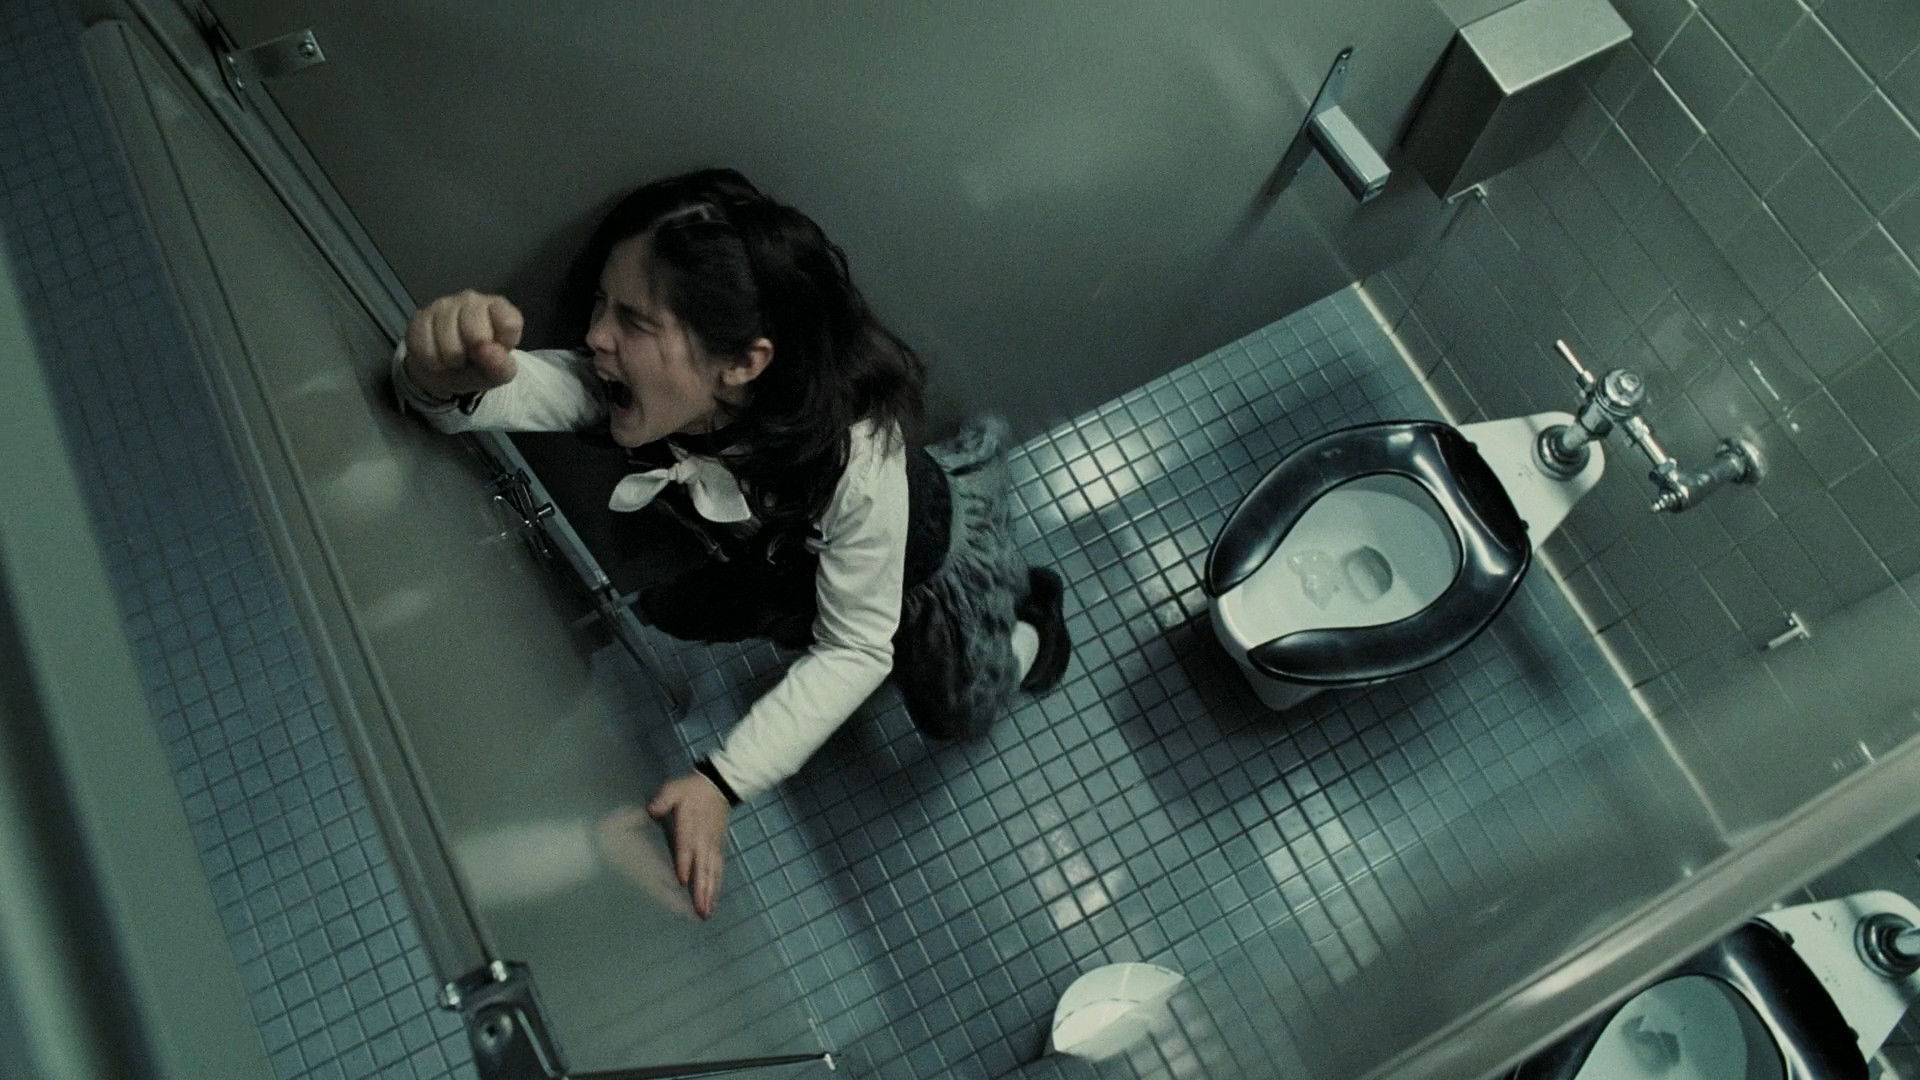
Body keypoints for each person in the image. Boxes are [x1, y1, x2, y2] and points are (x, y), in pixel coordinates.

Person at [392, 169, 1070, 919]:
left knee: (958, 713)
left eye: (632, 320)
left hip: (926, 562)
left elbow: (856, 648)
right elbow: (500, 390)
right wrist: (433, 375)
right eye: (600, 305)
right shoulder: (639, 390)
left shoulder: (858, 461)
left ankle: (1033, 623)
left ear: (742, 364)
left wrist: (721, 782)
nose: (594, 337)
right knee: (683, 611)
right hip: (795, 559)